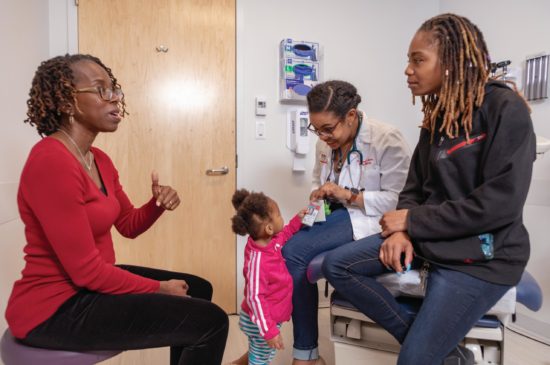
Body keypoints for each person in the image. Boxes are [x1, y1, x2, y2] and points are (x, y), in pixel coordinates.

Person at [323, 13, 536, 365]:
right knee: (337, 266)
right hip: (430, 242)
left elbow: (499, 205)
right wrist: (401, 233)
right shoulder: (436, 118)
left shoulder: (504, 109)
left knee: (412, 362)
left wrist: (412, 222)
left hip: (482, 258)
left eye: (418, 60)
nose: (408, 69)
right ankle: (450, 353)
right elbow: (414, 188)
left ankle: (427, 351)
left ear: (452, 61)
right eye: (409, 59)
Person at [5, 54, 229, 365]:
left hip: (88, 289)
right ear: (67, 102)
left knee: (198, 289)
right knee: (210, 322)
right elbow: (85, 272)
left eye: (115, 90)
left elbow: (127, 224)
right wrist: (159, 288)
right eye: (101, 90)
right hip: (55, 308)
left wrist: (156, 205)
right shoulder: (51, 161)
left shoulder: (98, 159)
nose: (115, 99)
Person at [282, 80, 411, 364]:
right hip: (336, 212)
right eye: (317, 129)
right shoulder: (324, 144)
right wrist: (320, 192)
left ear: (351, 116)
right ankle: (306, 353)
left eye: (329, 128)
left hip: (372, 217)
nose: (323, 136)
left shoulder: (386, 138)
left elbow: (399, 201)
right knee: (288, 250)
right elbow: (319, 178)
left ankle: (305, 355)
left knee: (294, 254)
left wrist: (348, 195)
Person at [229, 189, 306, 365]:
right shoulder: (258, 262)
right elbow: (255, 298)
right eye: (278, 214)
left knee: (260, 353)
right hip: (261, 321)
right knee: (261, 360)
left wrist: (298, 220)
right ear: (269, 228)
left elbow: (284, 234)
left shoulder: (269, 241)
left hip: (265, 319)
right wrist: (269, 331)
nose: (281, 217)